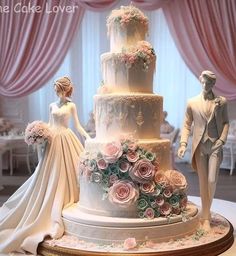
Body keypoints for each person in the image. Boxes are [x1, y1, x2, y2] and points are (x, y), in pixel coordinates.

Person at [0, 76, 90, 254]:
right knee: (50, 171)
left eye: (62, 90)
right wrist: (41, 135)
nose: (59, 93)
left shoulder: (71, 106)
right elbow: (49, 124)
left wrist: (88, 137)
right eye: (57, 90)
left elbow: (77, 126)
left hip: (66, 138)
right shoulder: (51, 105)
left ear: (67, 91)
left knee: (69, 169)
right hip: (52, 140)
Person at [178, 70, 229, 231]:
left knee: (212, 180)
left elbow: (226, 123)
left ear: (214, 84)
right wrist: (183, 144)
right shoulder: (192, 102)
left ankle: (206, 213)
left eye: (209, 83)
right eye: (204, 82)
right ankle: (206, 217)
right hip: (199, 146)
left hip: (215, 145)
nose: (206, 85)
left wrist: (221, 140)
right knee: (202, 182)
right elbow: (186, 125)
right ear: (201, 82)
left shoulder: (221, 102)